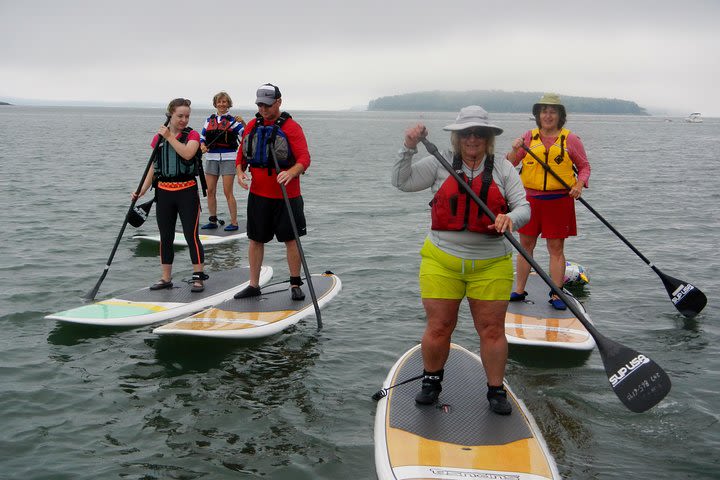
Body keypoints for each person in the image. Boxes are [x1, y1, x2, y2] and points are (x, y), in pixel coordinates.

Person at [393, 105, 530, 415]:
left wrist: (510, 218)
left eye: (479, 133)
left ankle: (495, 390)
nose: (472, 139)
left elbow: (524, 207)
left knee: (492, 330)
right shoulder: (438, 164)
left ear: (488, 138)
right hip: (442, 260)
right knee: (439, 326)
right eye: (466, 133)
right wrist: (409, 147)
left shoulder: (503, 170)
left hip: (491, 263)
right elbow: (401, 181)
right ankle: (431, 382)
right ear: (456, 138)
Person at [506, 93, 591, 310]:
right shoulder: (528, 137)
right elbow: (509, 163)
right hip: (529, 200)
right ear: (538, 115)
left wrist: (579, 185)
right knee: (525, 246)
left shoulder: (570, 139)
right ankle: (519, 289)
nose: (548, 115)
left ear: (560, 115)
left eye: (553, 111)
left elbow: (584, 167)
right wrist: (515, 149)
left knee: (555, 248)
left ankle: (556, 292)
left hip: (559, 201)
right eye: (544, 111)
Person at [233, 83, 311, 301]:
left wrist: (292, 172)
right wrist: (240, 173)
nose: (263, 110)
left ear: (278, 102)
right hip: (259, 195)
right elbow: (241, 157)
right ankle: (253, 285)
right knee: (255, 240)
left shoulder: (292, 128)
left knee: (291, 240)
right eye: (259, 105)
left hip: (288, 196)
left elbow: (305, 159)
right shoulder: (251, 126)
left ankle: (295, 283)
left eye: (267, 105)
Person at [133, 98, 207, 292]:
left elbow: (188, 154)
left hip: (187, 192)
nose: (184, 120)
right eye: (180, 116)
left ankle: (198, 276)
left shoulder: (192, 135)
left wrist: (169, 137)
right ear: (170, 115)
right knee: (166, 236)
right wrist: (141, 189)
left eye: (187, 116)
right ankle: (166, 277)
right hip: (164, 193)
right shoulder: (158, 139)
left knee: (191, 235)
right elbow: (153, 166)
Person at [199, 91, 245, 231]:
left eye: (224, 101)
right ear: (215, 104)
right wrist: (202, 145)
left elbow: (246, 135)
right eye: (219, 101)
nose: (221, 104)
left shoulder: (233, 122)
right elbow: (202, 136)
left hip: (228, 159)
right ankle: (212, 220)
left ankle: (234, 222)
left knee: (227, 192)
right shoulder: (209, 120)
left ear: (228, 104)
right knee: (210, 190)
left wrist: (242, 122)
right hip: (211, 158)